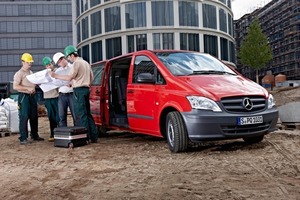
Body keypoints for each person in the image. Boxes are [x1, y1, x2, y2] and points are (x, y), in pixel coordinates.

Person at [49, 45, 98, 143]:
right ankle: (94, 136)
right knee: (88, 114)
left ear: (71, 55)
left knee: (81, 115)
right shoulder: (86, 63)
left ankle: (86, 137)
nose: (68, 59)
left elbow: (69, 77)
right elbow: (91, 77)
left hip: (79, 90)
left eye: (68, 57)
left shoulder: (76, 64)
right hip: (86, 89)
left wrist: (55, 75)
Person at [13, 53, 44, 144]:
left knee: (34, 116)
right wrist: (27, 89)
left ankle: (34, 135)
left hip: (32, 97)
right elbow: (15, 86)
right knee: (24, 116)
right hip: (24, 97)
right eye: (28, 62)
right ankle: (23, 138)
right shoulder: (19, 73)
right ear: (23, 62)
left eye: (30, 62)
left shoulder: (31, 73)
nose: (30, 64)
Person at [52, 52, 76, 127]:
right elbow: (55, 83)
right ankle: (63, 134)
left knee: (75, 115)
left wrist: (71, 82)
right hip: (62, 95)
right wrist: (65, 82)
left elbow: (76, 79)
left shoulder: (73, 67)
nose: (58, 65)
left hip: (72, 93)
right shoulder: (57, 71)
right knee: (62, 116)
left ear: (62, 59)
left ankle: (78, 133)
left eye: (59, 63)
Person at [41, 57, 59, 142]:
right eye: (47, 65)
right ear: (45, 66)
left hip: (56, 97)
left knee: (59, 116)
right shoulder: (43, 74)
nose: (49, 66)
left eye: (50, 64)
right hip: (48, 98)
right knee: (51, 117)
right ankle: (53, 134)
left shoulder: (57, 71)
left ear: (52, 63)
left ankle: (61, 133)